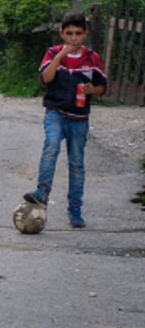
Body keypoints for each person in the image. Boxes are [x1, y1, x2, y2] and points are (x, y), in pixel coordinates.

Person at [23, 12, 107, 228]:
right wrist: (60, 57)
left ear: (85, 34)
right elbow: (45, 79)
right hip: (56, 112)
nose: (73, 38)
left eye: (78, 33)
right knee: (51, 145)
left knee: (77, 163)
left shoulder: (92, 58)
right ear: (62, 34)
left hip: (79, 118)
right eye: (69, 33)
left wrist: (93, 89)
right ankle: (42, 192)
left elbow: (102, 87)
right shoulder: (52, 53)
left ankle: (75, 209)